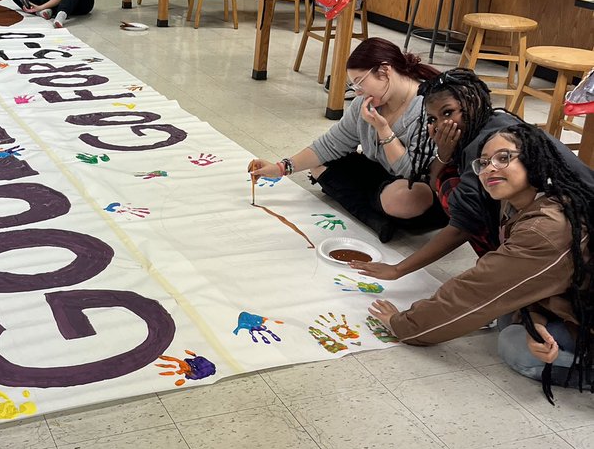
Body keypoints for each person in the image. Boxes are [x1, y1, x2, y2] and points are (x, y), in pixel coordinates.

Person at [368, 123, 594, 402]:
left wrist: (402, 324)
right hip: (572, 302)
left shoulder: (545, 229)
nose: (489, 169)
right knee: (507, 318)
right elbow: (538, 277)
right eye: (484, 162)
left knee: (514, 347)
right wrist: (537, 318)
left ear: (534, 159)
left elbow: (473, 292)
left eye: (503, 158)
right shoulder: (527, 201)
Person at [355, 68, 594, 282]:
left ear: (472, 103)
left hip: (571, 235)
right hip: (557, 225)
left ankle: (505, 266)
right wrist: (444, 153)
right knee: (448, 180)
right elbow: (433, 181)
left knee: (454, 189)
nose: (440, 125)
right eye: (432, 119)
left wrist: (398, 270)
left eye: (448, 113)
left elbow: (462, 226)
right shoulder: (492, 119)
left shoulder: (485, 146)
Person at [248, 39, 447, 241]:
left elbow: (410, 172)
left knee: (402, 198)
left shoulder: (427, 107)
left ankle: (371, 211)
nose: (358, 92)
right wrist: (281, 168)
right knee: (319, 164)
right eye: (354, 85)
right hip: (382, 176)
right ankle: (374, 216)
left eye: (360, 82)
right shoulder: (365, 103)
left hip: (418, 188)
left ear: (385, 71)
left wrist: (383, 129)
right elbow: (329, 144)